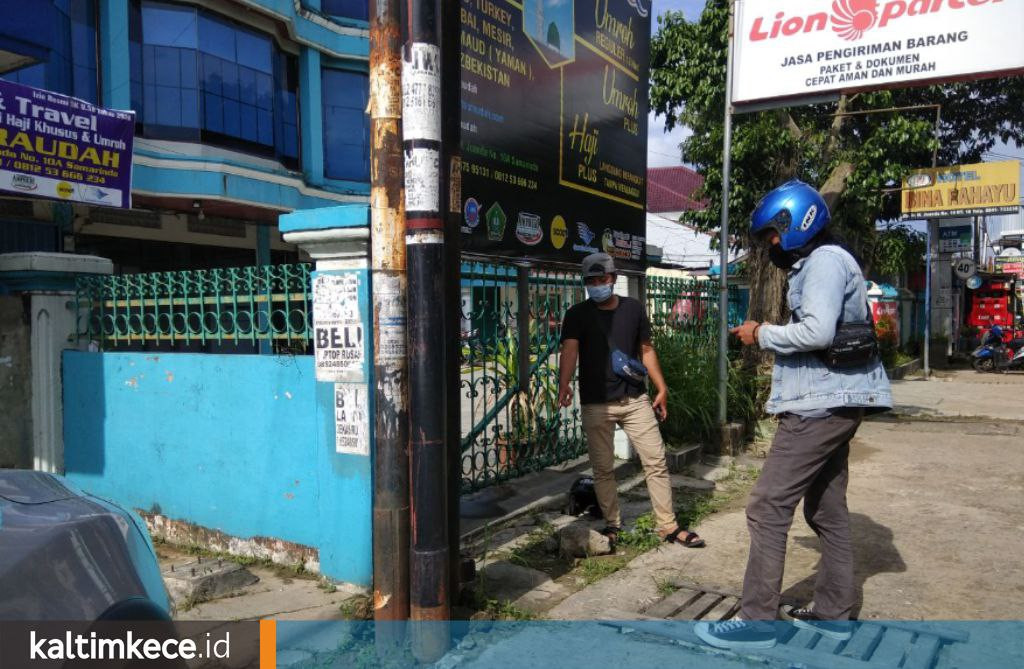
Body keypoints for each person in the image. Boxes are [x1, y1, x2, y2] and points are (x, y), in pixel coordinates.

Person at [695, 180, 891, 650]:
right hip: (837, 401)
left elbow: (819, 332)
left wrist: (761, 333)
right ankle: (833, 614)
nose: (772, 246)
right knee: (826, 509)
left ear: (797, 221)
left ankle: (758, 622)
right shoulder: (830, 260)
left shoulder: (823, 261)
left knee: (766, 505)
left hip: (818, 407)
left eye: (774, 235)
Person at [558, 252, 705, 549]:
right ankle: (613, 524)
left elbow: (646, 349)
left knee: (656, 460)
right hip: (596, 403)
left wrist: (661, 387)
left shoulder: (633, 309)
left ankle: (668, 526)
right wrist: (563, 383)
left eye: (602, 279)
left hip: (634, 399)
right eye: (591, 280)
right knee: (602, 468)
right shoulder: (576, 314)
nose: (597, 284)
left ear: (613, 278)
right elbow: (570, 351)